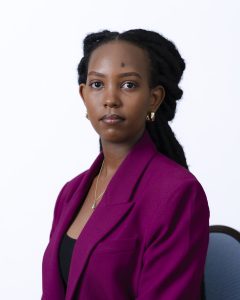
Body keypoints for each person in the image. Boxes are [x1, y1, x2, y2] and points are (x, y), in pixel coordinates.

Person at [41, 29, 210, 300]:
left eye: (128, 85)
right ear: (84, 95)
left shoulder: (177, 193)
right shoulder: (70, 193)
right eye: (97, 85)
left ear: (153, 98)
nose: (110, 99)